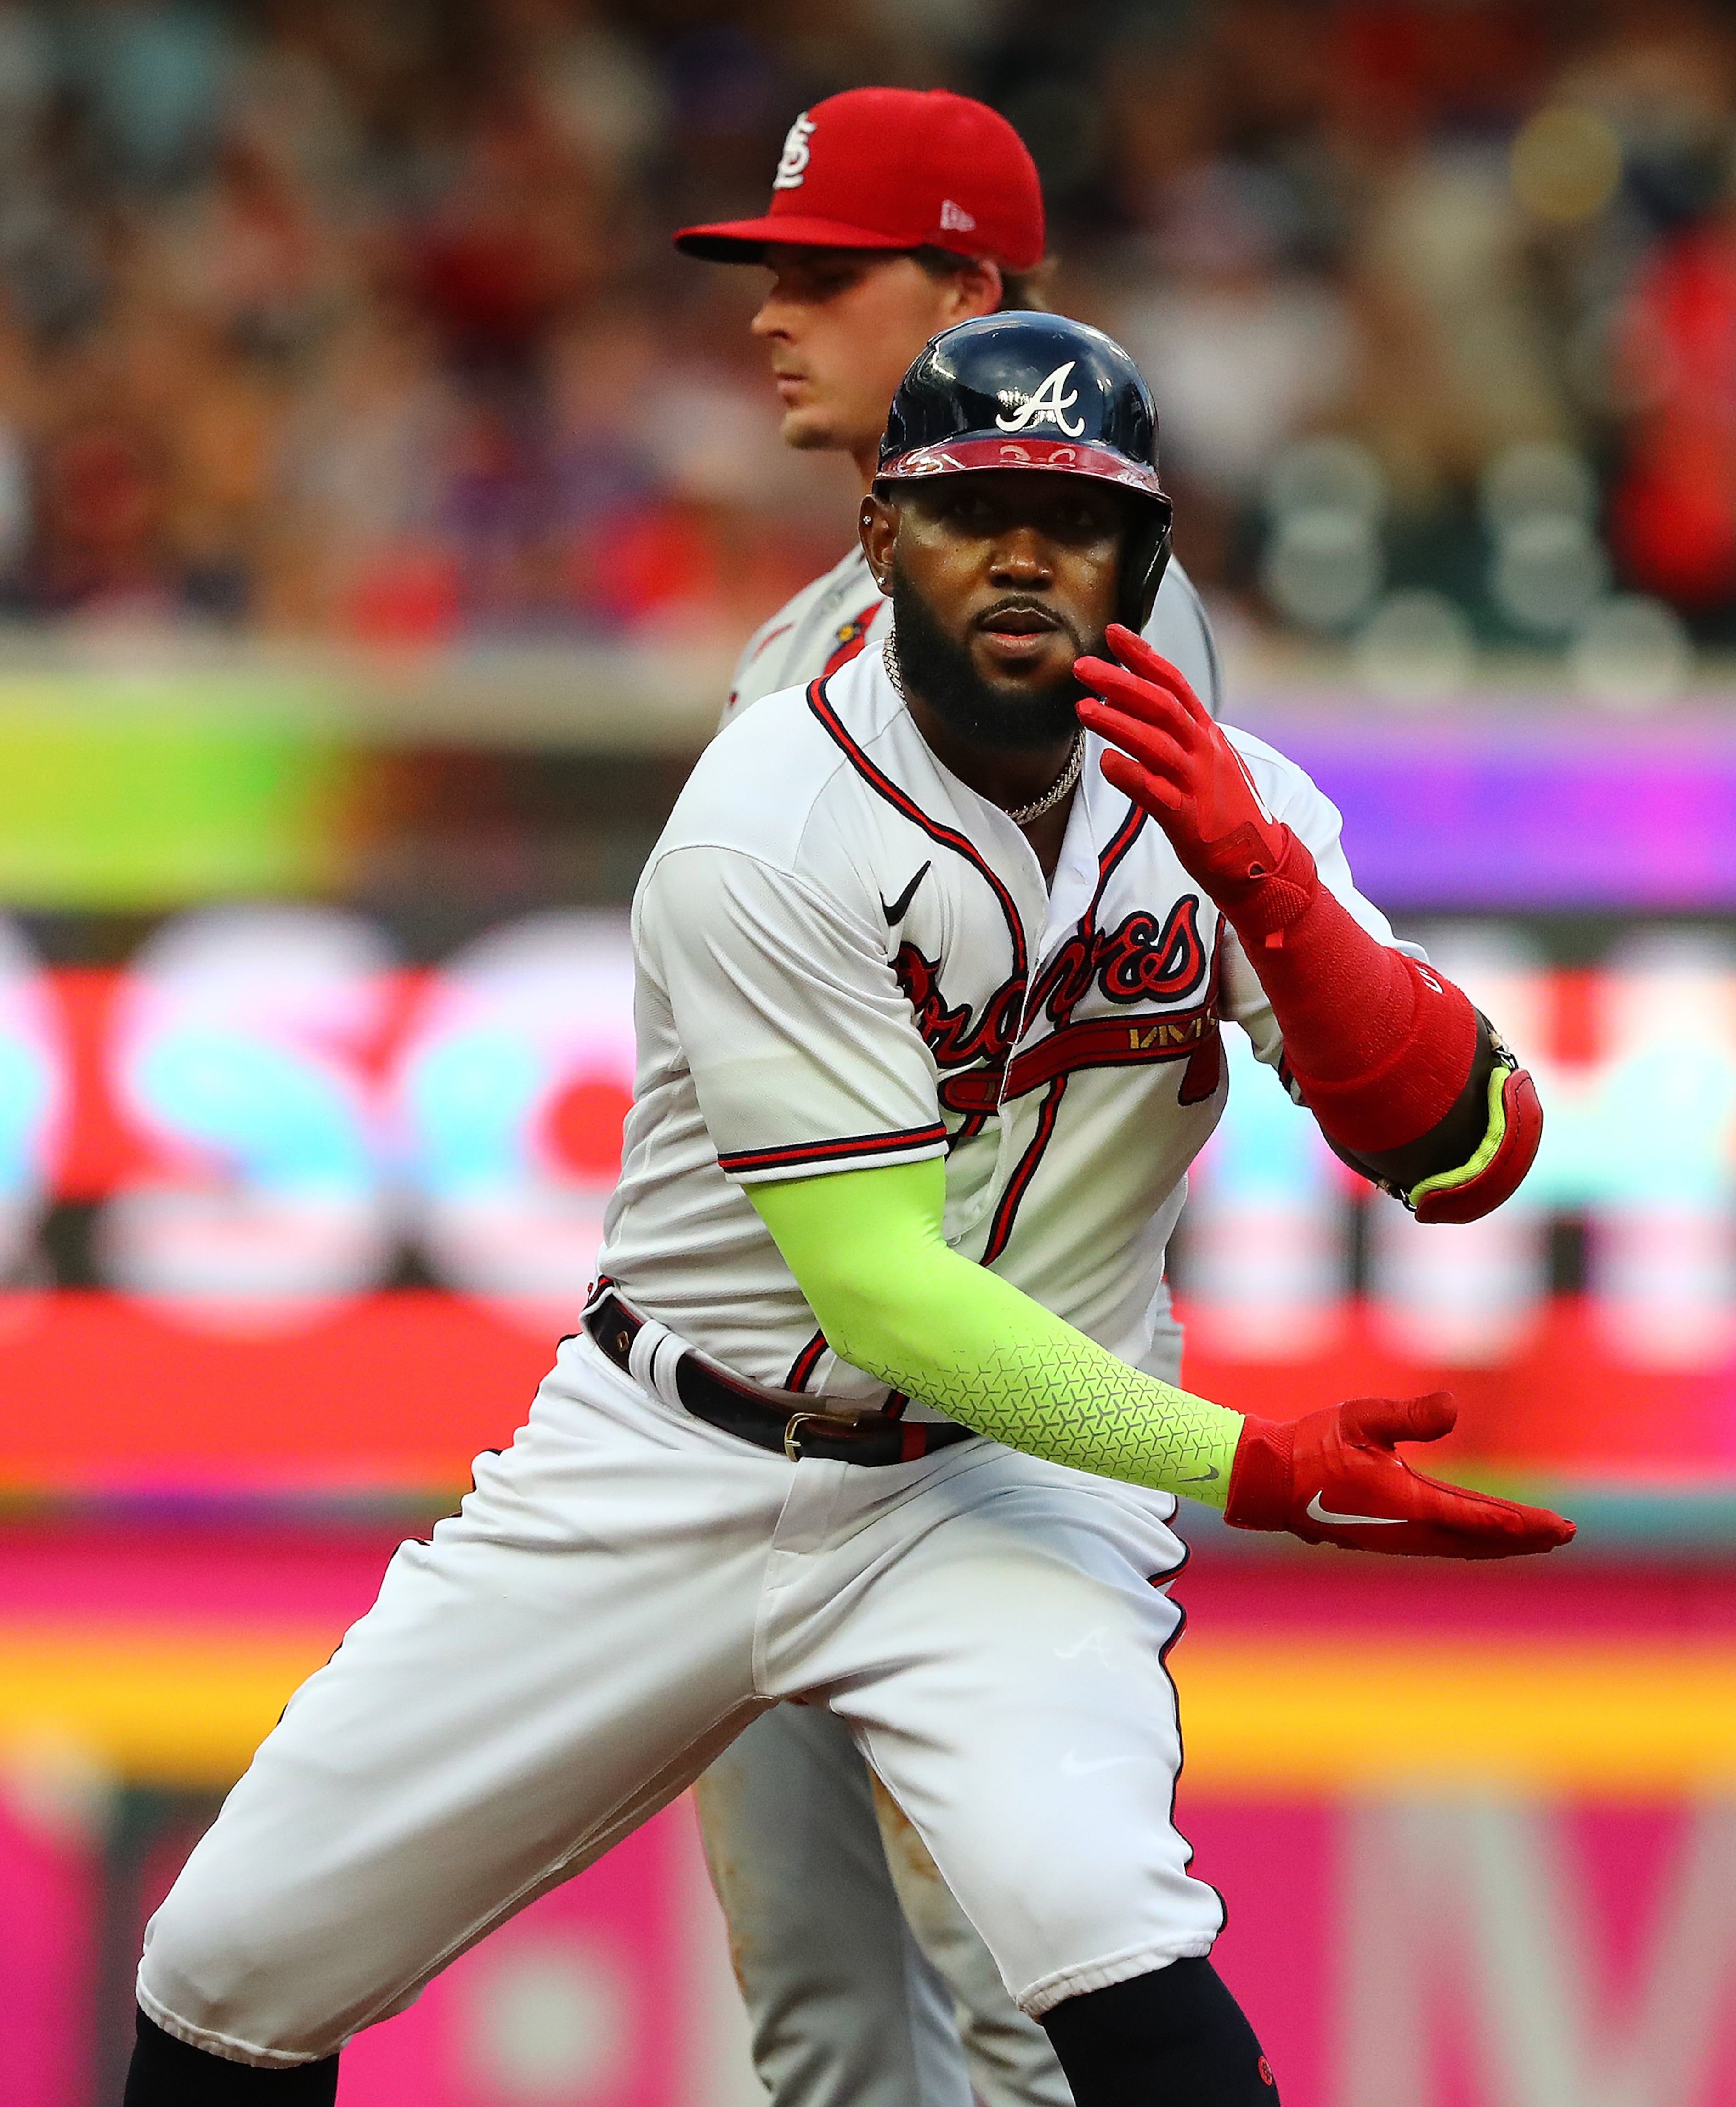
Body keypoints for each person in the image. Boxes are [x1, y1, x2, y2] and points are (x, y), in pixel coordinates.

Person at [122, 310, 1569, 2107]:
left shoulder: (1230, 807)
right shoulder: (773, 819)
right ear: (882, 537)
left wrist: (1279, 898)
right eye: (976, 509)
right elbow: (882, 1292)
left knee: (1098, 1919)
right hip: (676, 1458)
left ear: (1146, 553)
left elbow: (1471, 1151)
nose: (1027, 549)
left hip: (1001, 1492)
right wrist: (1252, 1464)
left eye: (1076, 511)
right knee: (230, 1962)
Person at [672, 84, 1218, 2107]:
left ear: (973, 285)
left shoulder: (1094, 628)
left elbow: (1081, 1032)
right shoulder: (815, 634)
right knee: (824, 2026)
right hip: (749, 1429)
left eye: (828, 274)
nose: (770, 314)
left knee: (1029, 2018)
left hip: (981, 1442)